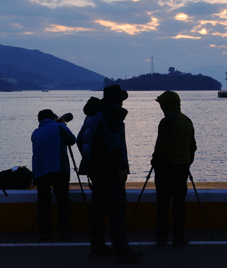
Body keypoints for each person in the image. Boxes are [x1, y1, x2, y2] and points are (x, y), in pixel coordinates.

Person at [77, 84, 143, 263]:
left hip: (95, 170)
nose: (123, 102)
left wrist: (90, 160)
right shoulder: (110, 115)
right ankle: (121, 250)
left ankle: (97, 246)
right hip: (109, 171)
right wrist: (120, 168)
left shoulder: (93, 113)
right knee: (117, 209)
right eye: (121, 99)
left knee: (98, 209)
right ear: (117, 99)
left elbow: (80, 139)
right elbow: (114, 145)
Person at [151, 91, 197, 247]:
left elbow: (161, 146)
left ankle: (161, 236)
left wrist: (156, 161)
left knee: (162, 202)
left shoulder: (167, 121)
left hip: (166, 167)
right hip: (182, 167)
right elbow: (192, 145)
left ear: (168, 104)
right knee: (179, 203)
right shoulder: (187, 121)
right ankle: (179, 236)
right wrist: (187, 161)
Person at [31, 109, 76, 240]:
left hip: (39, 172)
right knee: (63, 201)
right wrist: (62, 124)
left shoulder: (35, 132)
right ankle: (63, 231)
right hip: (58, 170)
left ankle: (44, 231)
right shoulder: (59, 126)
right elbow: (72, 140)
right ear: (53, 118)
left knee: (43, 202)